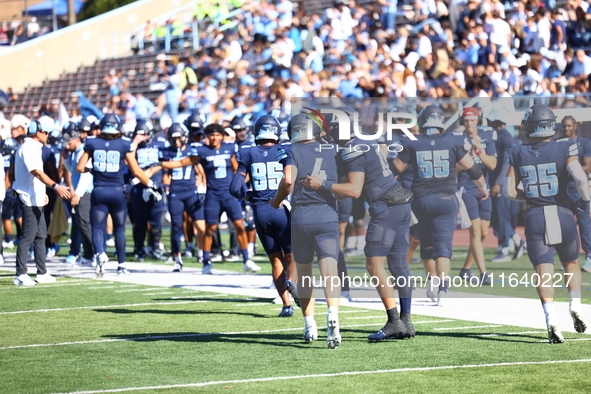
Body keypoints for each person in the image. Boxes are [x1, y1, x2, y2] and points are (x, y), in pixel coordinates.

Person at [304, 107, 414, 341]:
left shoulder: (351, 150)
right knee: (398, 266)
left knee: (374, 266)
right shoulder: (364, 143)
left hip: (385, 208)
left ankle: (394, 322)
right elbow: (351, 189)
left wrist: (322, 185)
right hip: (400, 203)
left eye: (331, 128)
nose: (327, 133)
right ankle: (406, 321)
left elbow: (353, 190)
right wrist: (326, 194)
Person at [504, 104, 588, 343]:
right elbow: (580, 178)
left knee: (544, 270)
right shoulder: (565, 146)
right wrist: (585, 200)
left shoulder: (517, 151)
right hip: (561, 211)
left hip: (535, 215)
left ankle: (551, 319)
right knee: (571, 262)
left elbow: (509, 192)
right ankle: (575, 305)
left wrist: (530, 196)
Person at [393, 105, 489, 305]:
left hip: (421, 200)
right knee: (443, 245)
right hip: (446, 200)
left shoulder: (413, 142)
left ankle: (432, 283)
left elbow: (395, 168)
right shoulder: (453, 141)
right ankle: (443, 288)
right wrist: (483, 186)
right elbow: (471, 168)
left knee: (427, 244)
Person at [270, 113, 341, 348]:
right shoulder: (331, 148)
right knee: (329, 269)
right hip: (328, 214)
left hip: (301, 216)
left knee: (304, 274)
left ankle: (310, 324)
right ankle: (333, 313)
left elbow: (288, 180)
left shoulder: (290, 150)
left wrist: (277, 200)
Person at [160, 123, 261, 274]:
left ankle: (246, 259)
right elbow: (182, 162)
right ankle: (206, 262)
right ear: (207, 137)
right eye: (212, 135)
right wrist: (160, 164)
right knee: (210, 229)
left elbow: (237, 170)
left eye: (217, 135)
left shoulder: (230, 148)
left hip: (229, 194)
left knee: (240, 225)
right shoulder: (202, 151)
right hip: (212, 195)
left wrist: (241, 185)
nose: (215, 138)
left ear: (221, 136)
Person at [76, 114, 159, 277]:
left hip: (99, 190)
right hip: (117, 191)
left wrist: (92, 170)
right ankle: (121, 266)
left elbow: (79, 167)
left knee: (98, 227)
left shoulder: (92, 142)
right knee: (119, 229)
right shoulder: (123, 144)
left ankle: (100, 253)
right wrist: (151, 184)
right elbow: (136, 171)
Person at [231, 115, 296, 317]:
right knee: (292, 257)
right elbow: (291, 179)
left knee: (276, 261)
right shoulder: (287, 149)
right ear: (277, 132)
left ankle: (286, 305)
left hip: (261, 211)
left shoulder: (247, 152)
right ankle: (292, 286)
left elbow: (234, 188)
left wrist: (249, 195)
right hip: (283, 208)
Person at [12, 119, 70, 285]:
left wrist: (42, 193)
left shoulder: (33, 147)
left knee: (41, 236)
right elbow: (36, 172)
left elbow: (34, 176)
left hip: (35, 197)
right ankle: (20, 274)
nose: (48, 136)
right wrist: (55, 186)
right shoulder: (29, 147)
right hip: (29, 199)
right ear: (38, 132)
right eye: (46, 133)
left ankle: (41, 272)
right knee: (28, 236)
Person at [457, 107, 496, 284]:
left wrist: (479, 150)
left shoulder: (487, 137)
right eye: (466, 121)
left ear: (478, 121)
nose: (469, 124)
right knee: (475, 231)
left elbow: (493, 164)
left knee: (483, 233)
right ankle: (484, 273)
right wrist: (469, 154)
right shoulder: (457, 139)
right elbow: (456, 169)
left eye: (472, 120)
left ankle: (465, 269)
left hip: (484, 187)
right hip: (466, 187)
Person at [160, 122, 205, 272]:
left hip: (191, 192)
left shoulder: (192, 150)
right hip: (175, 193)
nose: (177, 142)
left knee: (200, 225)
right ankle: (177, 258)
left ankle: (202, 253)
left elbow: (200, 174)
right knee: (176, 226)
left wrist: (197, 187)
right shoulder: (167, 152)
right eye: (174, 140)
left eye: (179, 139)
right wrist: (167, 190)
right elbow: (165, 175)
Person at [487, 108, 527, 263]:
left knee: (501, 217)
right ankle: (517, 241)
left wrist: (498, 183)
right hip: (502, 183)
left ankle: (504, 249)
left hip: (502, 183)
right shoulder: (502, 137)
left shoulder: (505, 138)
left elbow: (506, 162)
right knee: (498, 218)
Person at [130, 120, 169, 261]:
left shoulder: (160, 144)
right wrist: (135, 142)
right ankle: (139, 249)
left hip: (156, 185)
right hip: (138, 186)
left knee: (156, 222)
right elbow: (127, 159)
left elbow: (168, 159)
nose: (143, 137)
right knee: (139, 222)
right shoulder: (133, 146)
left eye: (144, 134)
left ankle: (154, 248)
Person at [560, 116, 591, 273]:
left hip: (580, 191)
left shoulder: (584, 143)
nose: (566, 129)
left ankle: (590, 257)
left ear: (575, 127)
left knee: (585, 224)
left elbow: (587, 167)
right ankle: (569, 258)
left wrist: (571, 170)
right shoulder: (557, 145)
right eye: (564, 126)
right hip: (563, 191)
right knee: (566, 226)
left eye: (569, 126)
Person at [62, 121, 94, 265]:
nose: (67, 146)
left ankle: (91, 254)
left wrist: (78, 194)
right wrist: (65, 158)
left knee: (84, 224)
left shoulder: (82, 151)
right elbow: (72, 170)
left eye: (69, 143)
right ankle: (89, 254)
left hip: (85, 192)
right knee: (82, 224)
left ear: (76, 140)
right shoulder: (76, 152)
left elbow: (85, 175)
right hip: (82, 191)